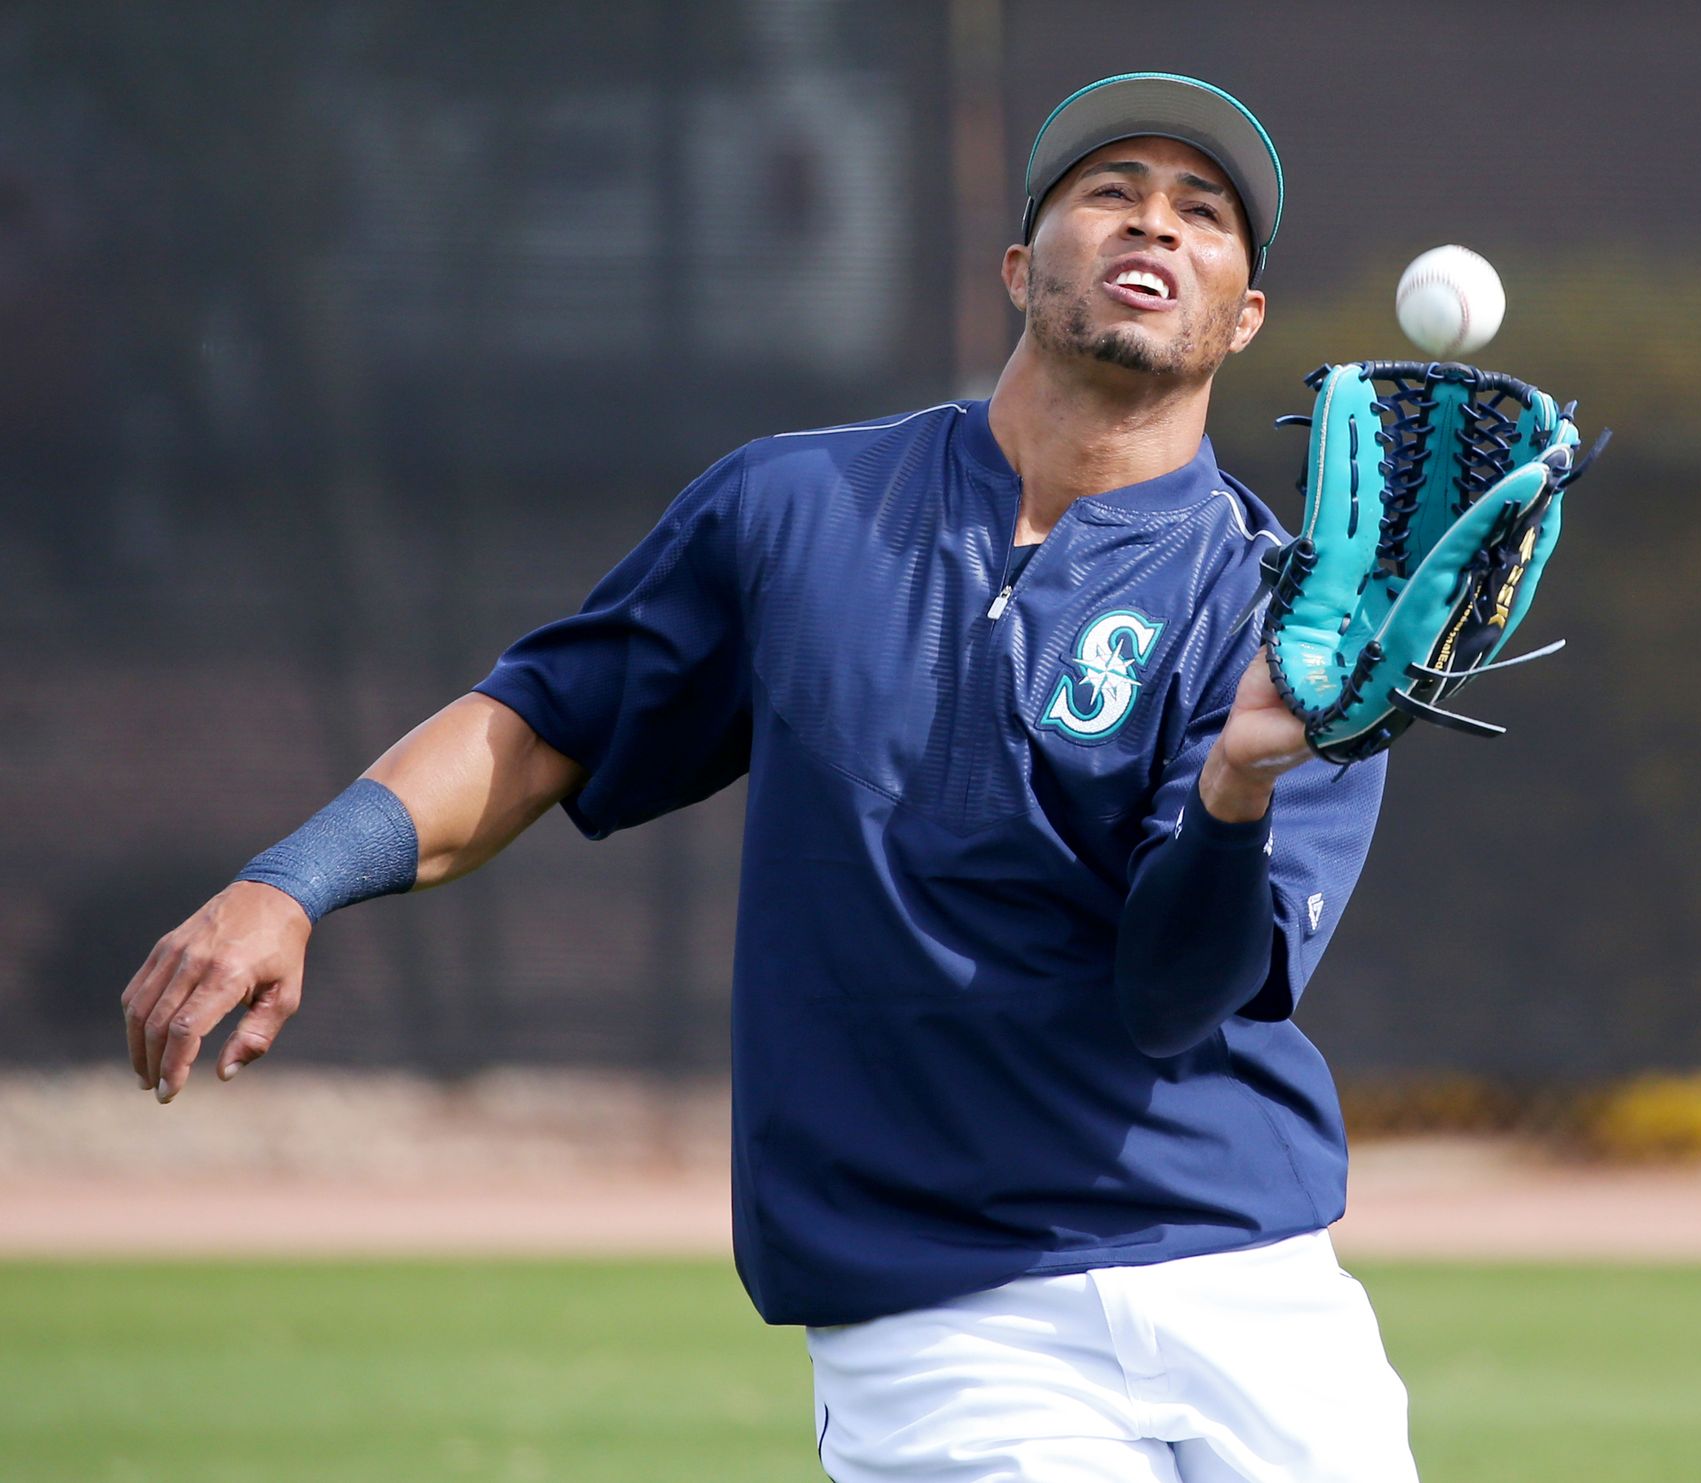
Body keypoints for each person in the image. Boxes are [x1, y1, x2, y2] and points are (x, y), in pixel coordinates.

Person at [120, 73, 1418, 1482]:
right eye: (1108, 193)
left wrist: (1235, 787)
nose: (1151, 225)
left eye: (1202, 212)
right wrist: (289, 884)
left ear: (1244, 316)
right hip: (941, 1304)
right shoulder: (796, 509)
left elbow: (1178, 999)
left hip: (1249, 1272)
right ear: (1016, 265)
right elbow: (543, 721)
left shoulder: (1289, 628)